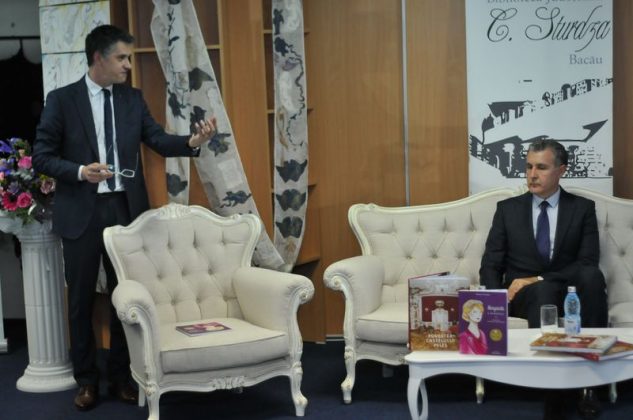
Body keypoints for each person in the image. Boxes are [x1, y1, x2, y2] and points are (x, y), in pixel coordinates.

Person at [32, 24, 216, 411]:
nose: (128, 65)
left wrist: (192, 142)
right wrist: (80, 171)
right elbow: (42, 157)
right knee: (81, 300)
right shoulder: (62, 100)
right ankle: (86, 381)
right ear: (98, 58)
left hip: (125, 211)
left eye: (129, 58)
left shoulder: (132, 99)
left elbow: (157, 139)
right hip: (82, 212)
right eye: (121, 58)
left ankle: (122, 378)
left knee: (126, 299)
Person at [479, 139, 608, 419]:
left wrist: (536, 277)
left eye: (541, 167)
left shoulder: (582, 208)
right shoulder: (508, 209)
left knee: (592, 276)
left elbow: (587, 261)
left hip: (570, 288)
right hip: (527, 296)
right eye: (528, 167)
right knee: (543, 290)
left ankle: (590, 385)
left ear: (561, 170)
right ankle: (554, 391)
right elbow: (491, 263)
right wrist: (494, 303)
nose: (532, 175)